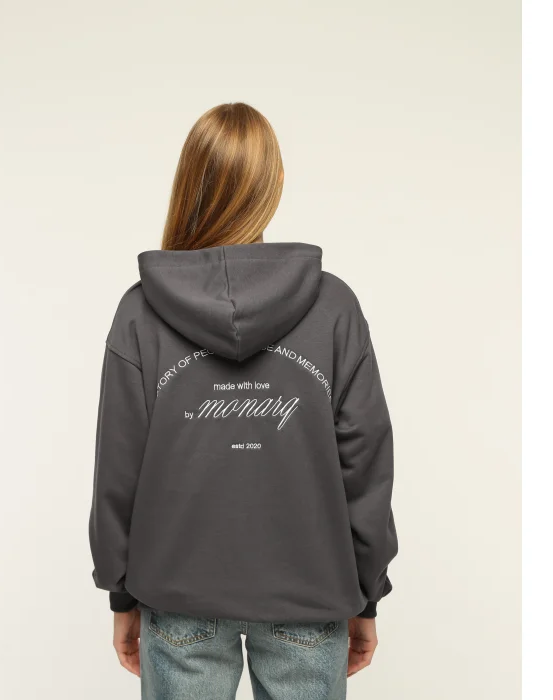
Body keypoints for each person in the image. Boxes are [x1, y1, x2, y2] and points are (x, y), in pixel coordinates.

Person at [89, 102, 398, 700]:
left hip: (177, 593)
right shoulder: (333, 308)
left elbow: (118, 467)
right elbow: (366, 463)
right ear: (274, 184)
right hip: (311, 593)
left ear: (188, 181)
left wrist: (121, 593)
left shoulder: (140, 312)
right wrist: (368, 592)